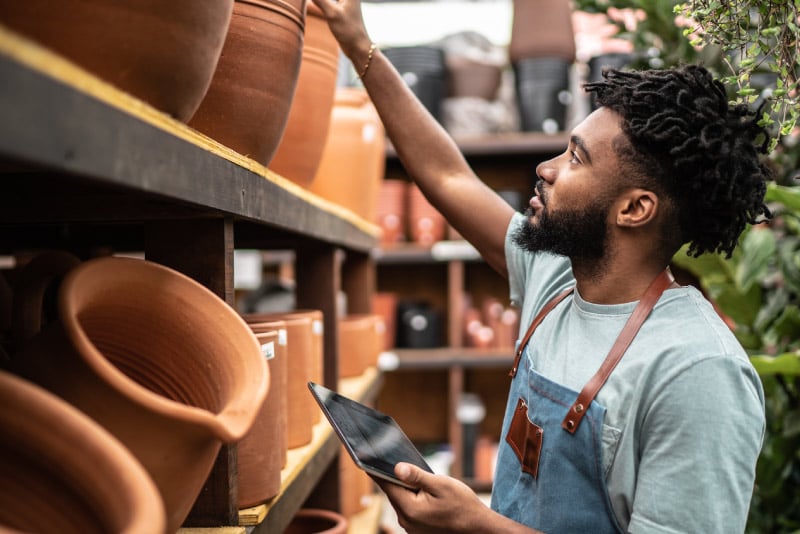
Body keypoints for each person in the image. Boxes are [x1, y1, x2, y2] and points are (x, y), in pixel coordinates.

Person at [311, 0, 773, 531]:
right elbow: (447, 177)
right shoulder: (554, 280)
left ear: (634, 209)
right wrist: (358, 45)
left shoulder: (695, 372)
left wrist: (474, 525)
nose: (545, 169)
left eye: (576, 159)